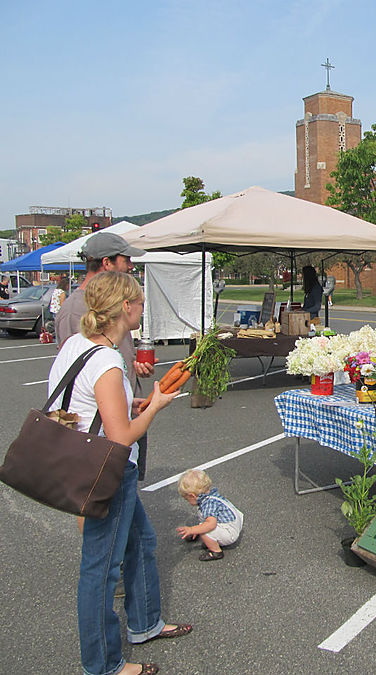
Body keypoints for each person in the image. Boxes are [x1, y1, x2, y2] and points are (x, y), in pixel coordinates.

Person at [48, 271, 191, 675]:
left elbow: (85, 404)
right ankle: (104, 663)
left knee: (141, 541)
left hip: (84, 462)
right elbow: (122, 438)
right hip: (107, 472)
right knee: (101, 569)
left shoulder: (77, 345)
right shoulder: (109, 361)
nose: (143, 310)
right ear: (125, 308)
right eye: (141, 303)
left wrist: (131, 403)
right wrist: (158, 405)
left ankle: (145, 623)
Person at [56, 231, 156, 479]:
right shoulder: (74, 314)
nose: (131, 266)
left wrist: (130, 370)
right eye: (126, 260)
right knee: (97, 506)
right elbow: (78, 379)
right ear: (107, 263)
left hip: (116, 417)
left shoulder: (108, 343)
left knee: (123, 506)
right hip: (97, 448)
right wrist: (155, 405)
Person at [176, 469, 244, 561]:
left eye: (187, 499)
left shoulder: (208, 504)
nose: (188, 502)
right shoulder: (211, 496)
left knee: (204, 528)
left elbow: (210, 524)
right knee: (203, 524)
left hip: (230, 532)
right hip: (235, 523)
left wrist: (193, 529)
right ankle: (212, 538)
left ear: (192, 496)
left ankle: (216, 551)